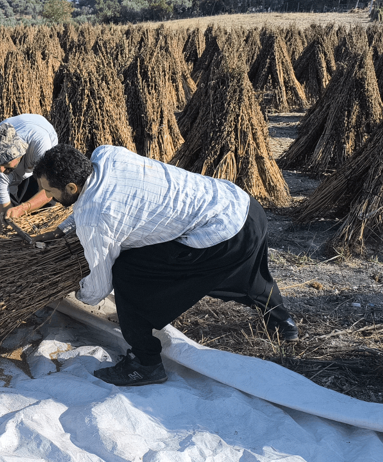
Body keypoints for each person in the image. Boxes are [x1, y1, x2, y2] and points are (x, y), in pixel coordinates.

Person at [32, 144, 299, 387]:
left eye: (50, 191)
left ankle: (144, 363)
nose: (47, 196)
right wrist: (64, 228)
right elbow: (91, 202)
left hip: (222, 236)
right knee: (249, 271)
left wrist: (76, 294)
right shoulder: (106, 154)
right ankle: (282, 321)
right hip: (243, 208)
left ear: (72, 187)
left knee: (127, 273)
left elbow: (100, 286)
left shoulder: (95, 217)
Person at [0, 114, 58, 230]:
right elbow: (3, 212)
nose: (1, 170)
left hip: (38, 155)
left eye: (4, 162)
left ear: (19, 152)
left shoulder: (40, 145)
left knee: (44, 210)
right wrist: (5, 229)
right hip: (20, 162)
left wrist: (22, 208)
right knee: (7, 218)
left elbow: (48, 192)